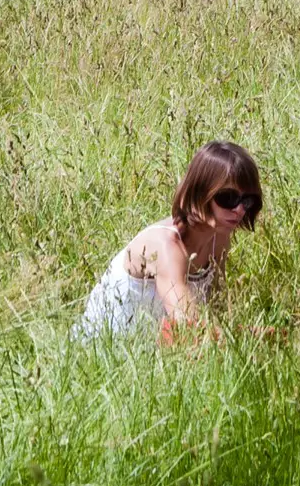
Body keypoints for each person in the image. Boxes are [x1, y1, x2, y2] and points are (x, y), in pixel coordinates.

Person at [76, 141, 262, 341]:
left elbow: (215, 310)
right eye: (228, 198)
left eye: (247, 201)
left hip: (156, 352)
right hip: (105, 349)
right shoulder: (166, 244)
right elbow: (186, 321)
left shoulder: (220, 238)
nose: (239, 210)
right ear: (201, 193)